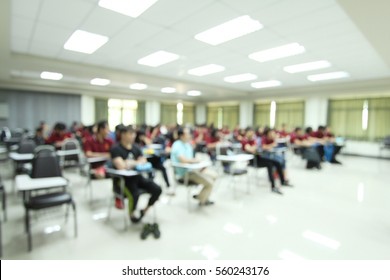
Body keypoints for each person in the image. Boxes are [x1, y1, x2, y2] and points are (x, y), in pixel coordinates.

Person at [110, 125, 162, 223]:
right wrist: (136, 162)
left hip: (138, 177)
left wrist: (130, 163)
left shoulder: (136, 147)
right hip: (123, 181)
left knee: (157, 189)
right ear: (123, 135)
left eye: (134, 133)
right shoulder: (116, 149)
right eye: (130, 134)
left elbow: (144, 160)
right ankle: (132, 215)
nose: (133, 136)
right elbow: (121, 166)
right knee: (135, 194)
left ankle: (144, 210)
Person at [171, 127, 217, 206]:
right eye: (188, 133)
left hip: (193, 170)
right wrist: (195, 161)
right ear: (181, 135)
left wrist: (199, 165)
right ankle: (201, 199)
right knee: (210, 183)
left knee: (214, 175)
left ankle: (203, 197)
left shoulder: (187, 144)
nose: (190, 135)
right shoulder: (177, 145)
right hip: (184, 173)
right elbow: (184, 160)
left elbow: (191, 159)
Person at [241, 128, 292, 195]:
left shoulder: (253, 140)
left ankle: (282, 181)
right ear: (247, 133)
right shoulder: (244, 141)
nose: (252, 134)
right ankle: (273, 186)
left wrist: (255, 147)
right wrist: (255, 147)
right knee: (269, 164)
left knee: (277, 163)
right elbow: (250, 149)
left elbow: (256, 148)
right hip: (252, 161)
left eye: (252, 132)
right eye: (250, 132)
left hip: (258, 158)